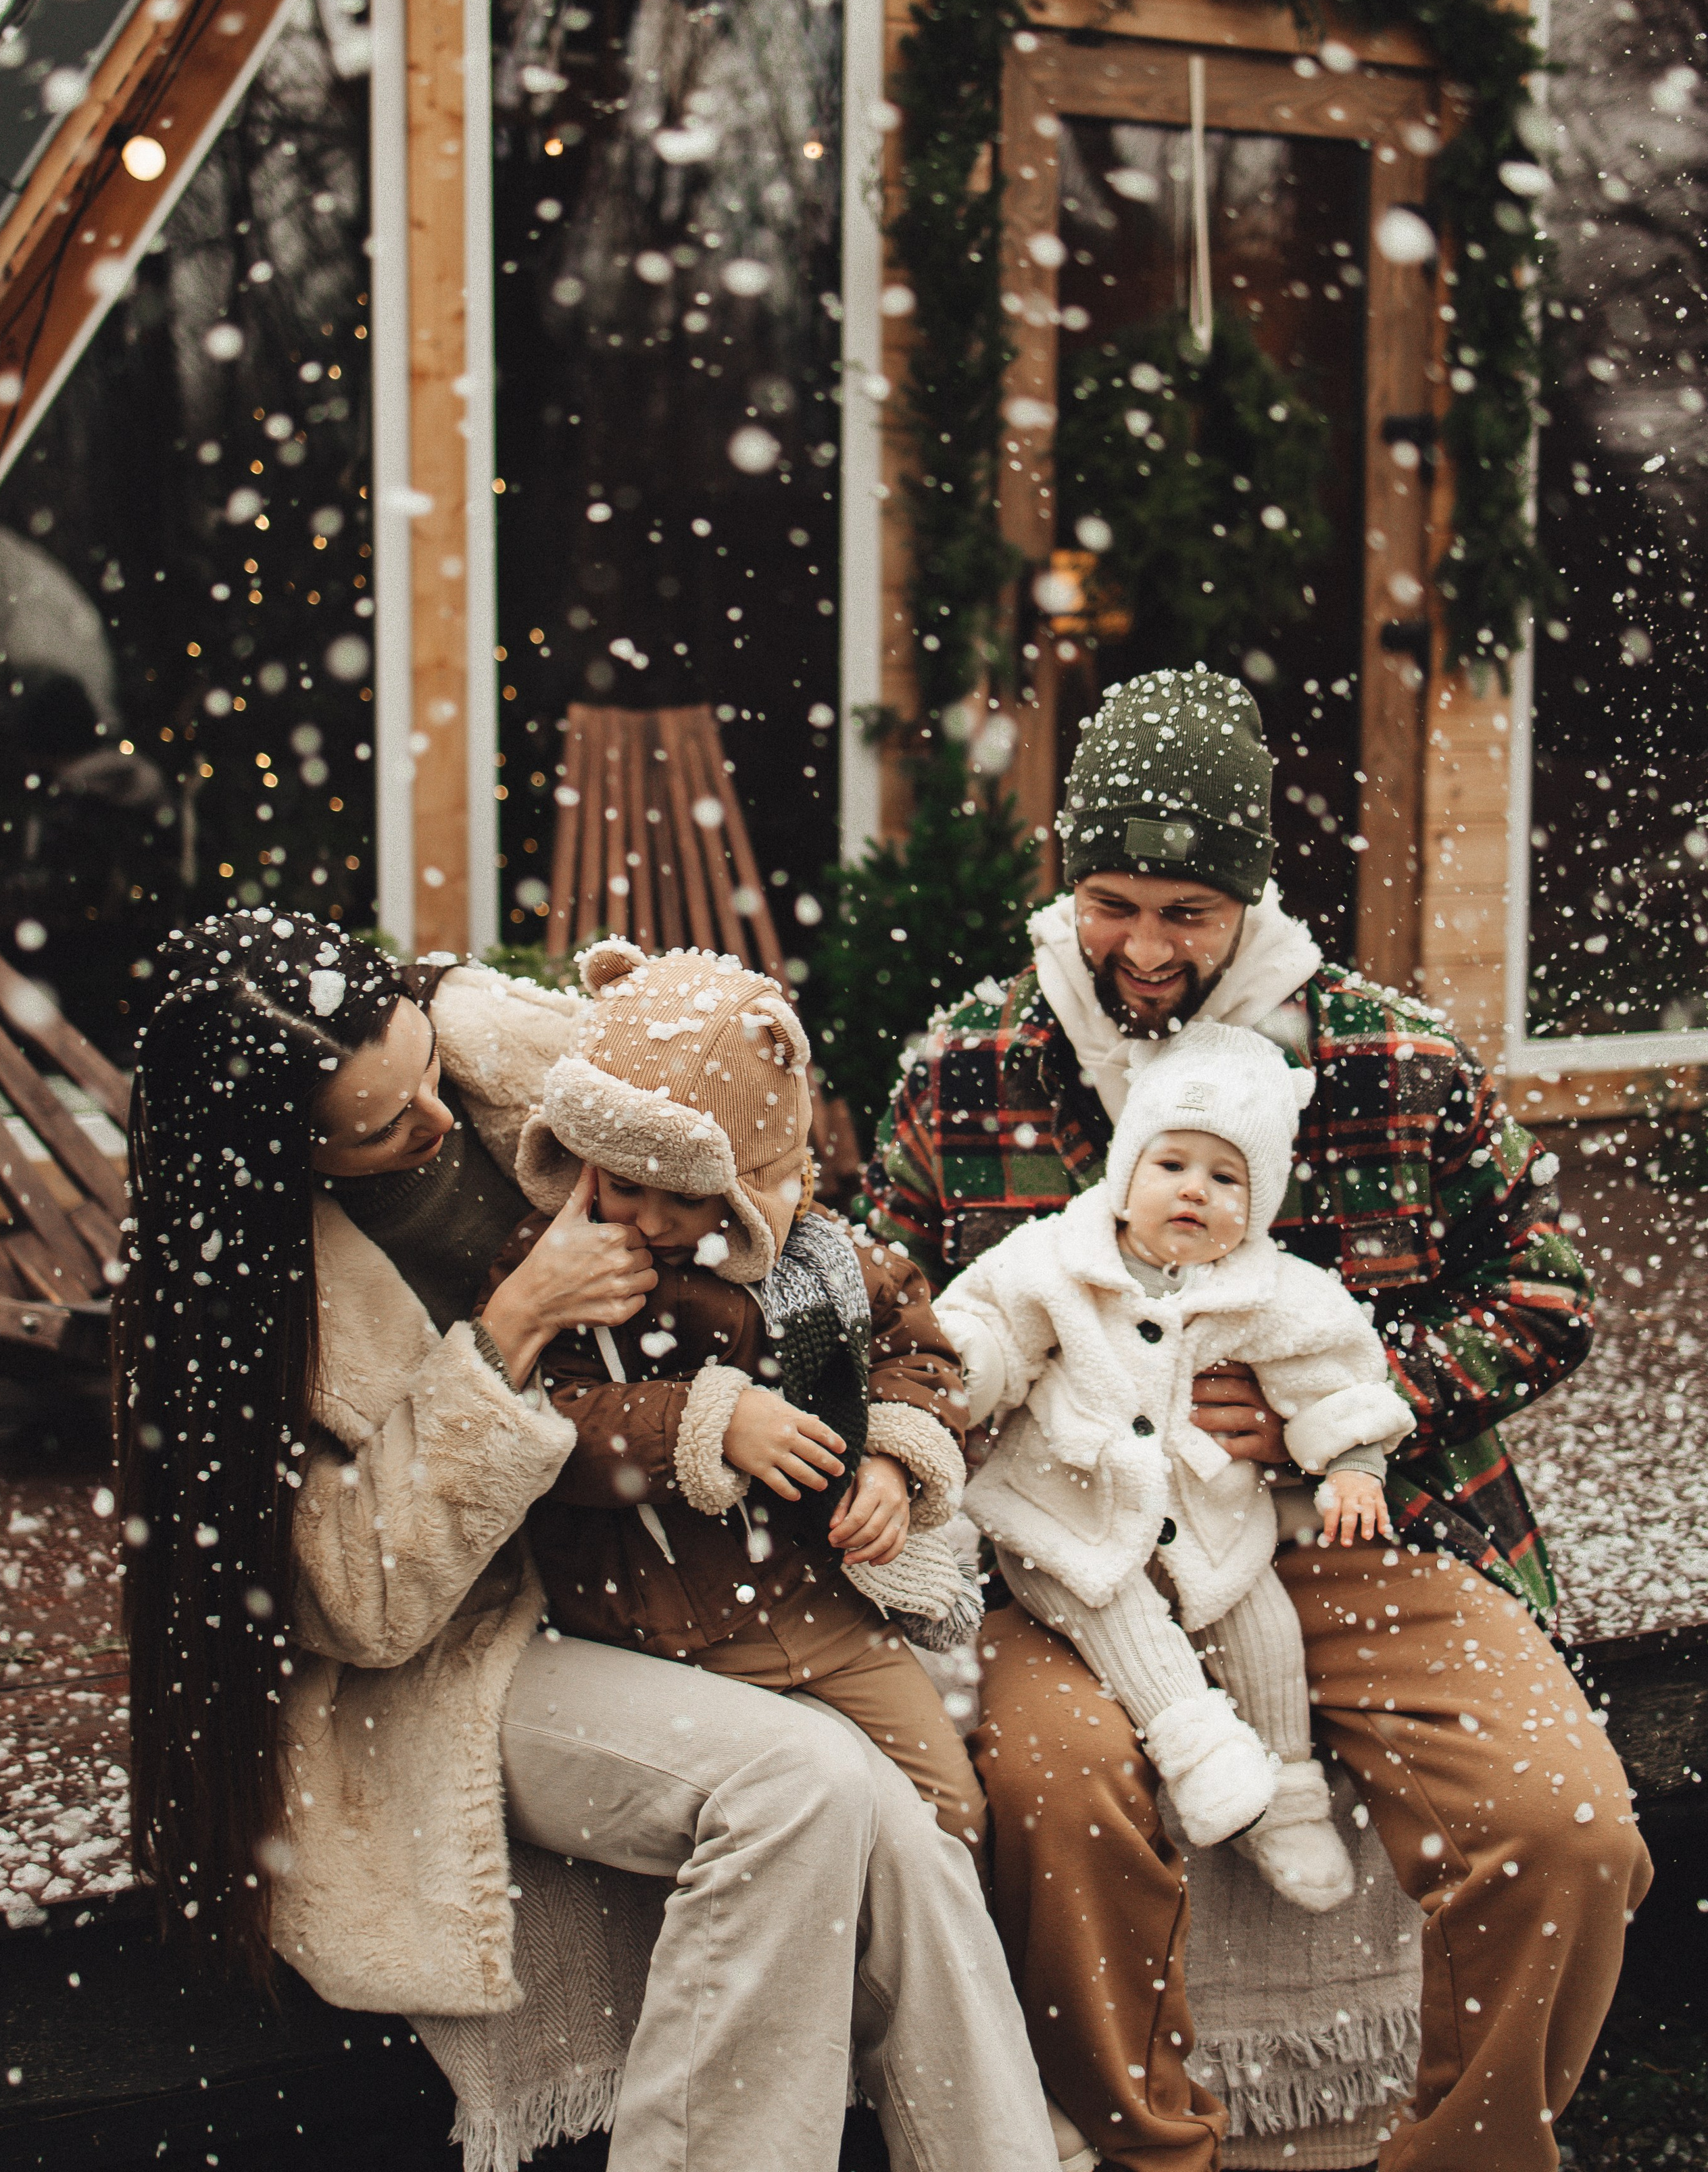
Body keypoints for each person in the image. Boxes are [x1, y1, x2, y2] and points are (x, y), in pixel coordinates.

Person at [114, 909, 1056, 2172]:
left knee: (916, 1843)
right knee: (802, 1786)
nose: (438, 1129)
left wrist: (876, 1429)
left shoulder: (514, 1063)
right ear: (279, 1160)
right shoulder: (249, 1304)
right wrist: (507, 1333)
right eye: (385, 1129)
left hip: (659, 1581)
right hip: (465, 1654)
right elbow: (357, 1605)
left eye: (425, 1075)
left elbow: (749, 1141)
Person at [868, 666, 1651, 2172]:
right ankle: (1145, 2152)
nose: (1143, 949)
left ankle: (1467, 2155)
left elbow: (1548, 1293)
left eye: (1187, 912)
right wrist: (955, 1402)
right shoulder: (965, 1069)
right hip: (1074, 1561)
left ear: (1251, 903)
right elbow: (889, 1311)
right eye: (1111, 903)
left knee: (1562, 1829)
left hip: (1356, 1532)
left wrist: (1362, 1405)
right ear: (1065, 884)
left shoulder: (1396, 1063)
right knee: (1050, 1796)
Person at [495, 938, 987, 1849]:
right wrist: (702, 1420)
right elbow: (533, 1423)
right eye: (618, 1183)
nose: (641, 1218)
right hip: (656, 1626)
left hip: (826, 1601)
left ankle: (896, 1986)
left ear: (751, 1183)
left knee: (947, 1816)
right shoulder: (557, 1269)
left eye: (676, 1195)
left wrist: (891, 1458)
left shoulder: (827, 1258)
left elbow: (919, 1354)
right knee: (807, 1830)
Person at [936, 1018, 1412, 1912]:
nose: (1194, 1191)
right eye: (1171, 1165)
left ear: (1258, 1202)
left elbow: (1335, 1372)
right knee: (1116, 1611)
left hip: (1207, 1513)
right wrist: (969, 1365)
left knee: (1261, 1624)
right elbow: (992, 1321)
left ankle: (1290, 1795)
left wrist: (1353, 1461)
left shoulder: (1272, 1289)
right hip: (1064, 1509)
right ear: (1125, 1174)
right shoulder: (1057, 1258)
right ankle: (1196, 1747)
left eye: (1226, 1177)